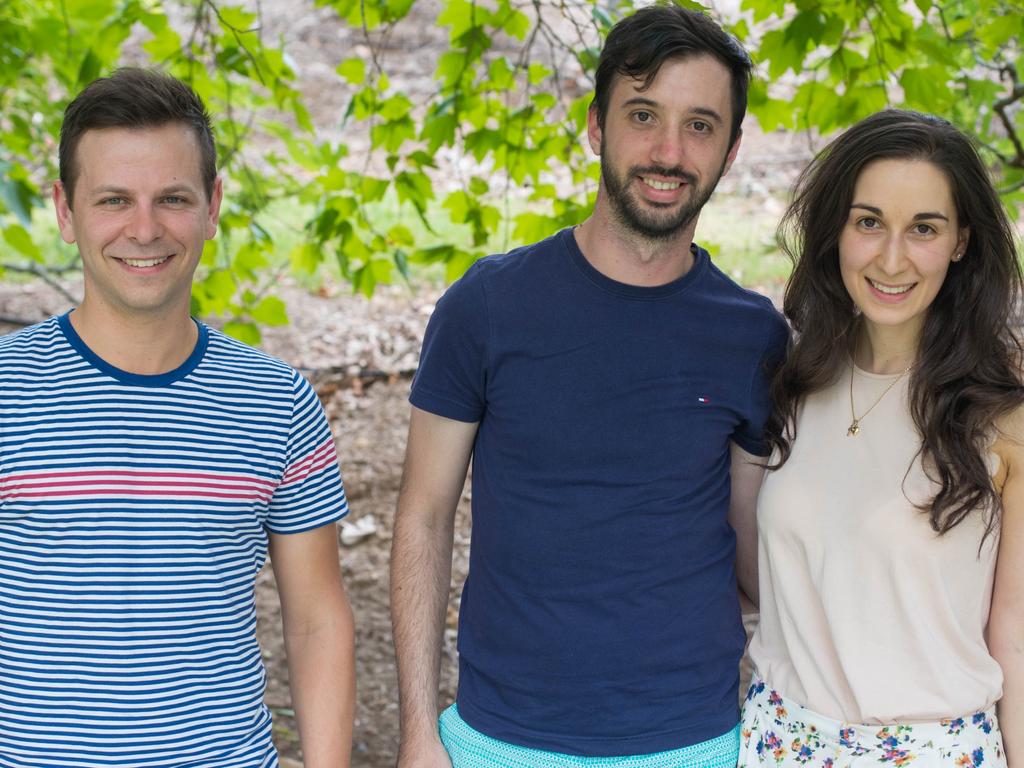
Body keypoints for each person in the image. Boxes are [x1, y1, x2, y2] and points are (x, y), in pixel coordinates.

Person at [390, 5, 789, 766]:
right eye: (644, 115)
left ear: (731, 151)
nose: (668, 151)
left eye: (700, 125)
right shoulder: (487, 306)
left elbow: (752, 552)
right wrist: (417, 733)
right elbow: (424, 514)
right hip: (499, 739)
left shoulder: (752, 336)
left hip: (694, 742)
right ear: (595, 125)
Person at [0, 68, 355, 767]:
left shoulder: (278, 402)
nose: (144, 228)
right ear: (66, 212)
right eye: (112, 200)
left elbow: (316, 622)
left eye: (172, 198)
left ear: (213, 206)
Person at [741, 109, 1023, 765]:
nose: (891, 258)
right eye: (868, 222)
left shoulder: (1004, 416)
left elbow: (1015, 635)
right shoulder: (788, 384)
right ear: (835, 230)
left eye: (923, 228)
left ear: (961, 242)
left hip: (937, 751)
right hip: (780, 745)